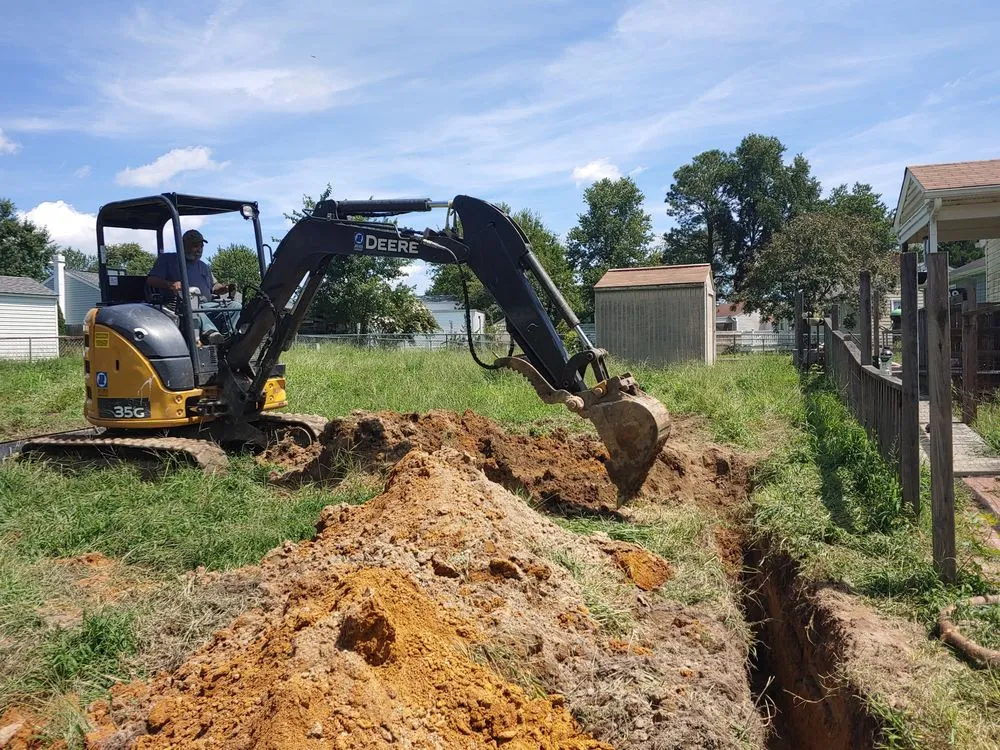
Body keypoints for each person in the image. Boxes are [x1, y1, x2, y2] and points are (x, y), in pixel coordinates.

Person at [147, 229, 234, 345]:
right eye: (195, 246)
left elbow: (214, 287)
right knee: (192, 304)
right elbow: (151, 280)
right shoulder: (167, 260)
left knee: (234, 306)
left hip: (206, 306)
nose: (199, 249)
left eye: (201, 246)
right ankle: (211, 333)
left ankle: (231, 341)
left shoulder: (204, 266)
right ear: (183, 245)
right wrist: (170, 284)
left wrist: (224, 288)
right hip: (178, 308)